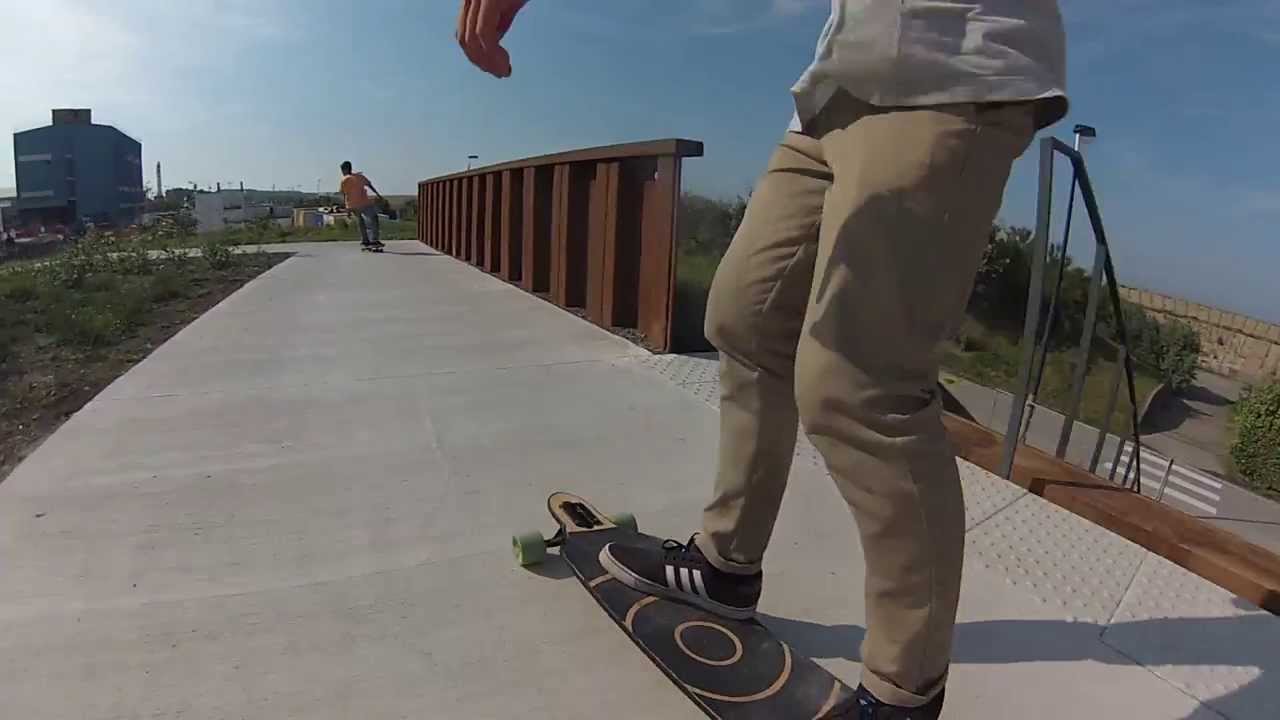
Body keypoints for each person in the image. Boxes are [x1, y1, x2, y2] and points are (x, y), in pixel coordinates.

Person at [457, 2, 1067, 718]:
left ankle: (905, 692)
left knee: (861, 383)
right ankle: (725, 570)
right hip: (830, 96)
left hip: (952, 69)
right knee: (744, 320)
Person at [339, 161, 386, 249]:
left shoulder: (344, 180)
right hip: (363, 203)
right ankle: (374, 240)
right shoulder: (360, 177)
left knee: (361, 221)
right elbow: (369, 185)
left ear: (345, 169)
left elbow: (344, 194)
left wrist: (347, 208)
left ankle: (365, 240)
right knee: (373, 218)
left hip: (352, 205)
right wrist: (378, 194)